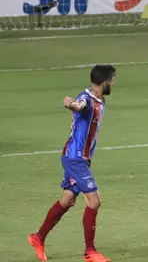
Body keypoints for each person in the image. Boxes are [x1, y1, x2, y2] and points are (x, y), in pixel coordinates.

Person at [28, 65, 116, 262]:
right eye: (112, 80)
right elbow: (79, 105)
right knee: (94, 201)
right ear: (104, 83)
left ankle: (38, 237)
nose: (113, 83)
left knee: (67, 200)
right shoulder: (86, 99)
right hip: (75, 158)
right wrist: (73, 105)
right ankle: (90, 251)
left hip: (80, 158)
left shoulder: (100, 99)